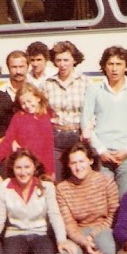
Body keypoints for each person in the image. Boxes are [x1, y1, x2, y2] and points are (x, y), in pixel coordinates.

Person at [0, 147, 77, 254]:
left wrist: (61, 240)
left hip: (40, 233)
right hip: (15, 234)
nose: (23, 172)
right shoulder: (4, 187)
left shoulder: (47, 187)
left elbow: (55, 215)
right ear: (12, 168)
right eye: (18, 167)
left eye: (27, 167)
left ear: (35, 167)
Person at [54, 141, 120, 254]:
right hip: (78, 234)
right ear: (68, 165)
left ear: (90, 160)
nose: (78, 167)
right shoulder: (62, 188)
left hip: (102, 230)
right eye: (73, 163)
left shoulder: (106, 181)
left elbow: (113, 216)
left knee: (109, 249)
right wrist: (84, 241)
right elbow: (69, 224)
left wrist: (93, 235)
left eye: (81, 161)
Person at [81, 45, 127, 197]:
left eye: (119, 64)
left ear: (126, 66)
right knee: (103, 200)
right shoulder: (94, 89)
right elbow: (86, 122)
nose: (114, 69)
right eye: (110, 64)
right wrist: (101, 150)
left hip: (126, 156)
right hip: (102, 156)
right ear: (104, 66)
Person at [44, 40, 88, 181]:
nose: (62, 64)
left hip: (78, 136)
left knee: (80, 178)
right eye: (58, 60)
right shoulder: (48, 84)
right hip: (56, 136)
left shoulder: (86, 82)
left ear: (74, 60)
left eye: (66, 60)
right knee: (57, 178)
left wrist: (88, 130)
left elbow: (94, 111)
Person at [0, 83, 55, 178]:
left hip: (39, 166)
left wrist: (49, 171)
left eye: (29, 101)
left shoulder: (45, 117)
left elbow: (48, 146)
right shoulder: (18, 117)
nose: (27, 105)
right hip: (22, 164)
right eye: (23, 103)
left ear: (38, 98)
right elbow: (8, 139)